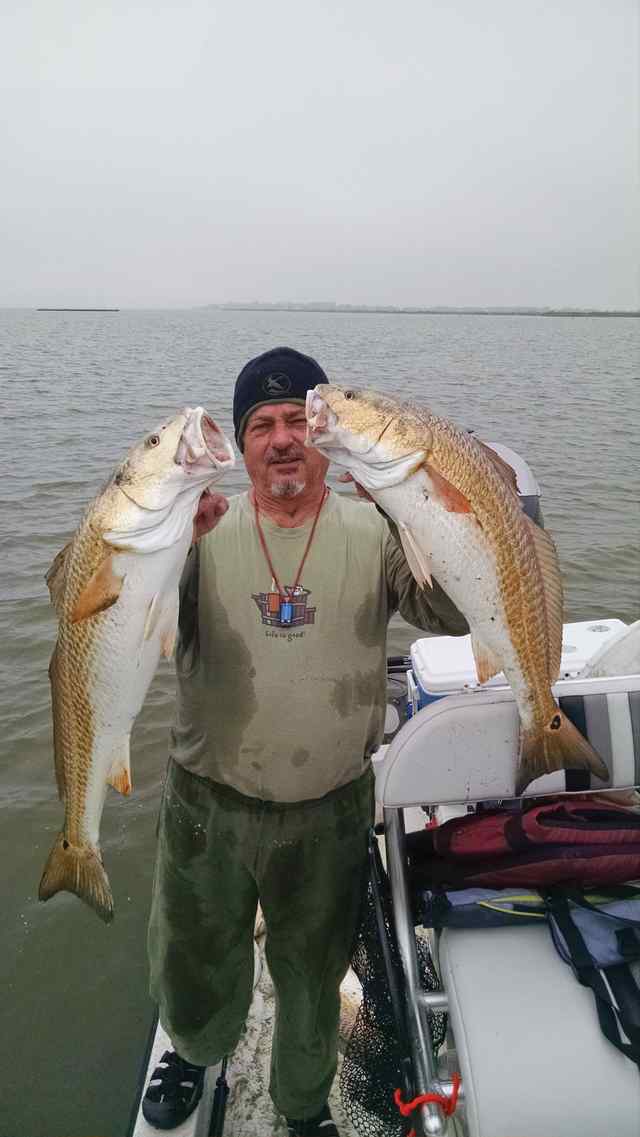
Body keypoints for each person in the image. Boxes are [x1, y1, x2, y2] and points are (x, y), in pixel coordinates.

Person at [142, 347, 468, 1137]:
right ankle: (192, 1049)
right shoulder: (199, 528)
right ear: (241, 444)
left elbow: (456, 616)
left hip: (329, 808)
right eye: (262, 424)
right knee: (192, 957)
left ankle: (302, 1100)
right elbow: (111, 615)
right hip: (207, 802)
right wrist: (161, 543)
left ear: (324, 435)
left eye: (297, 420)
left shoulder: (376, 528)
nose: (282, 438)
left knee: (314, 976)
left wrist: (412, 507)